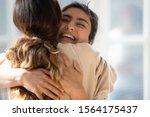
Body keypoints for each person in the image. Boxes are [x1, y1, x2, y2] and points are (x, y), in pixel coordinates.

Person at [0, 2, 116, 100]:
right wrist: (22, 76)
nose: (70, 26)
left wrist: (77, 91)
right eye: (65, 19)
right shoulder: (23, 51)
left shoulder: (100, 67)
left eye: (80, 24)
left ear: (90, 41)